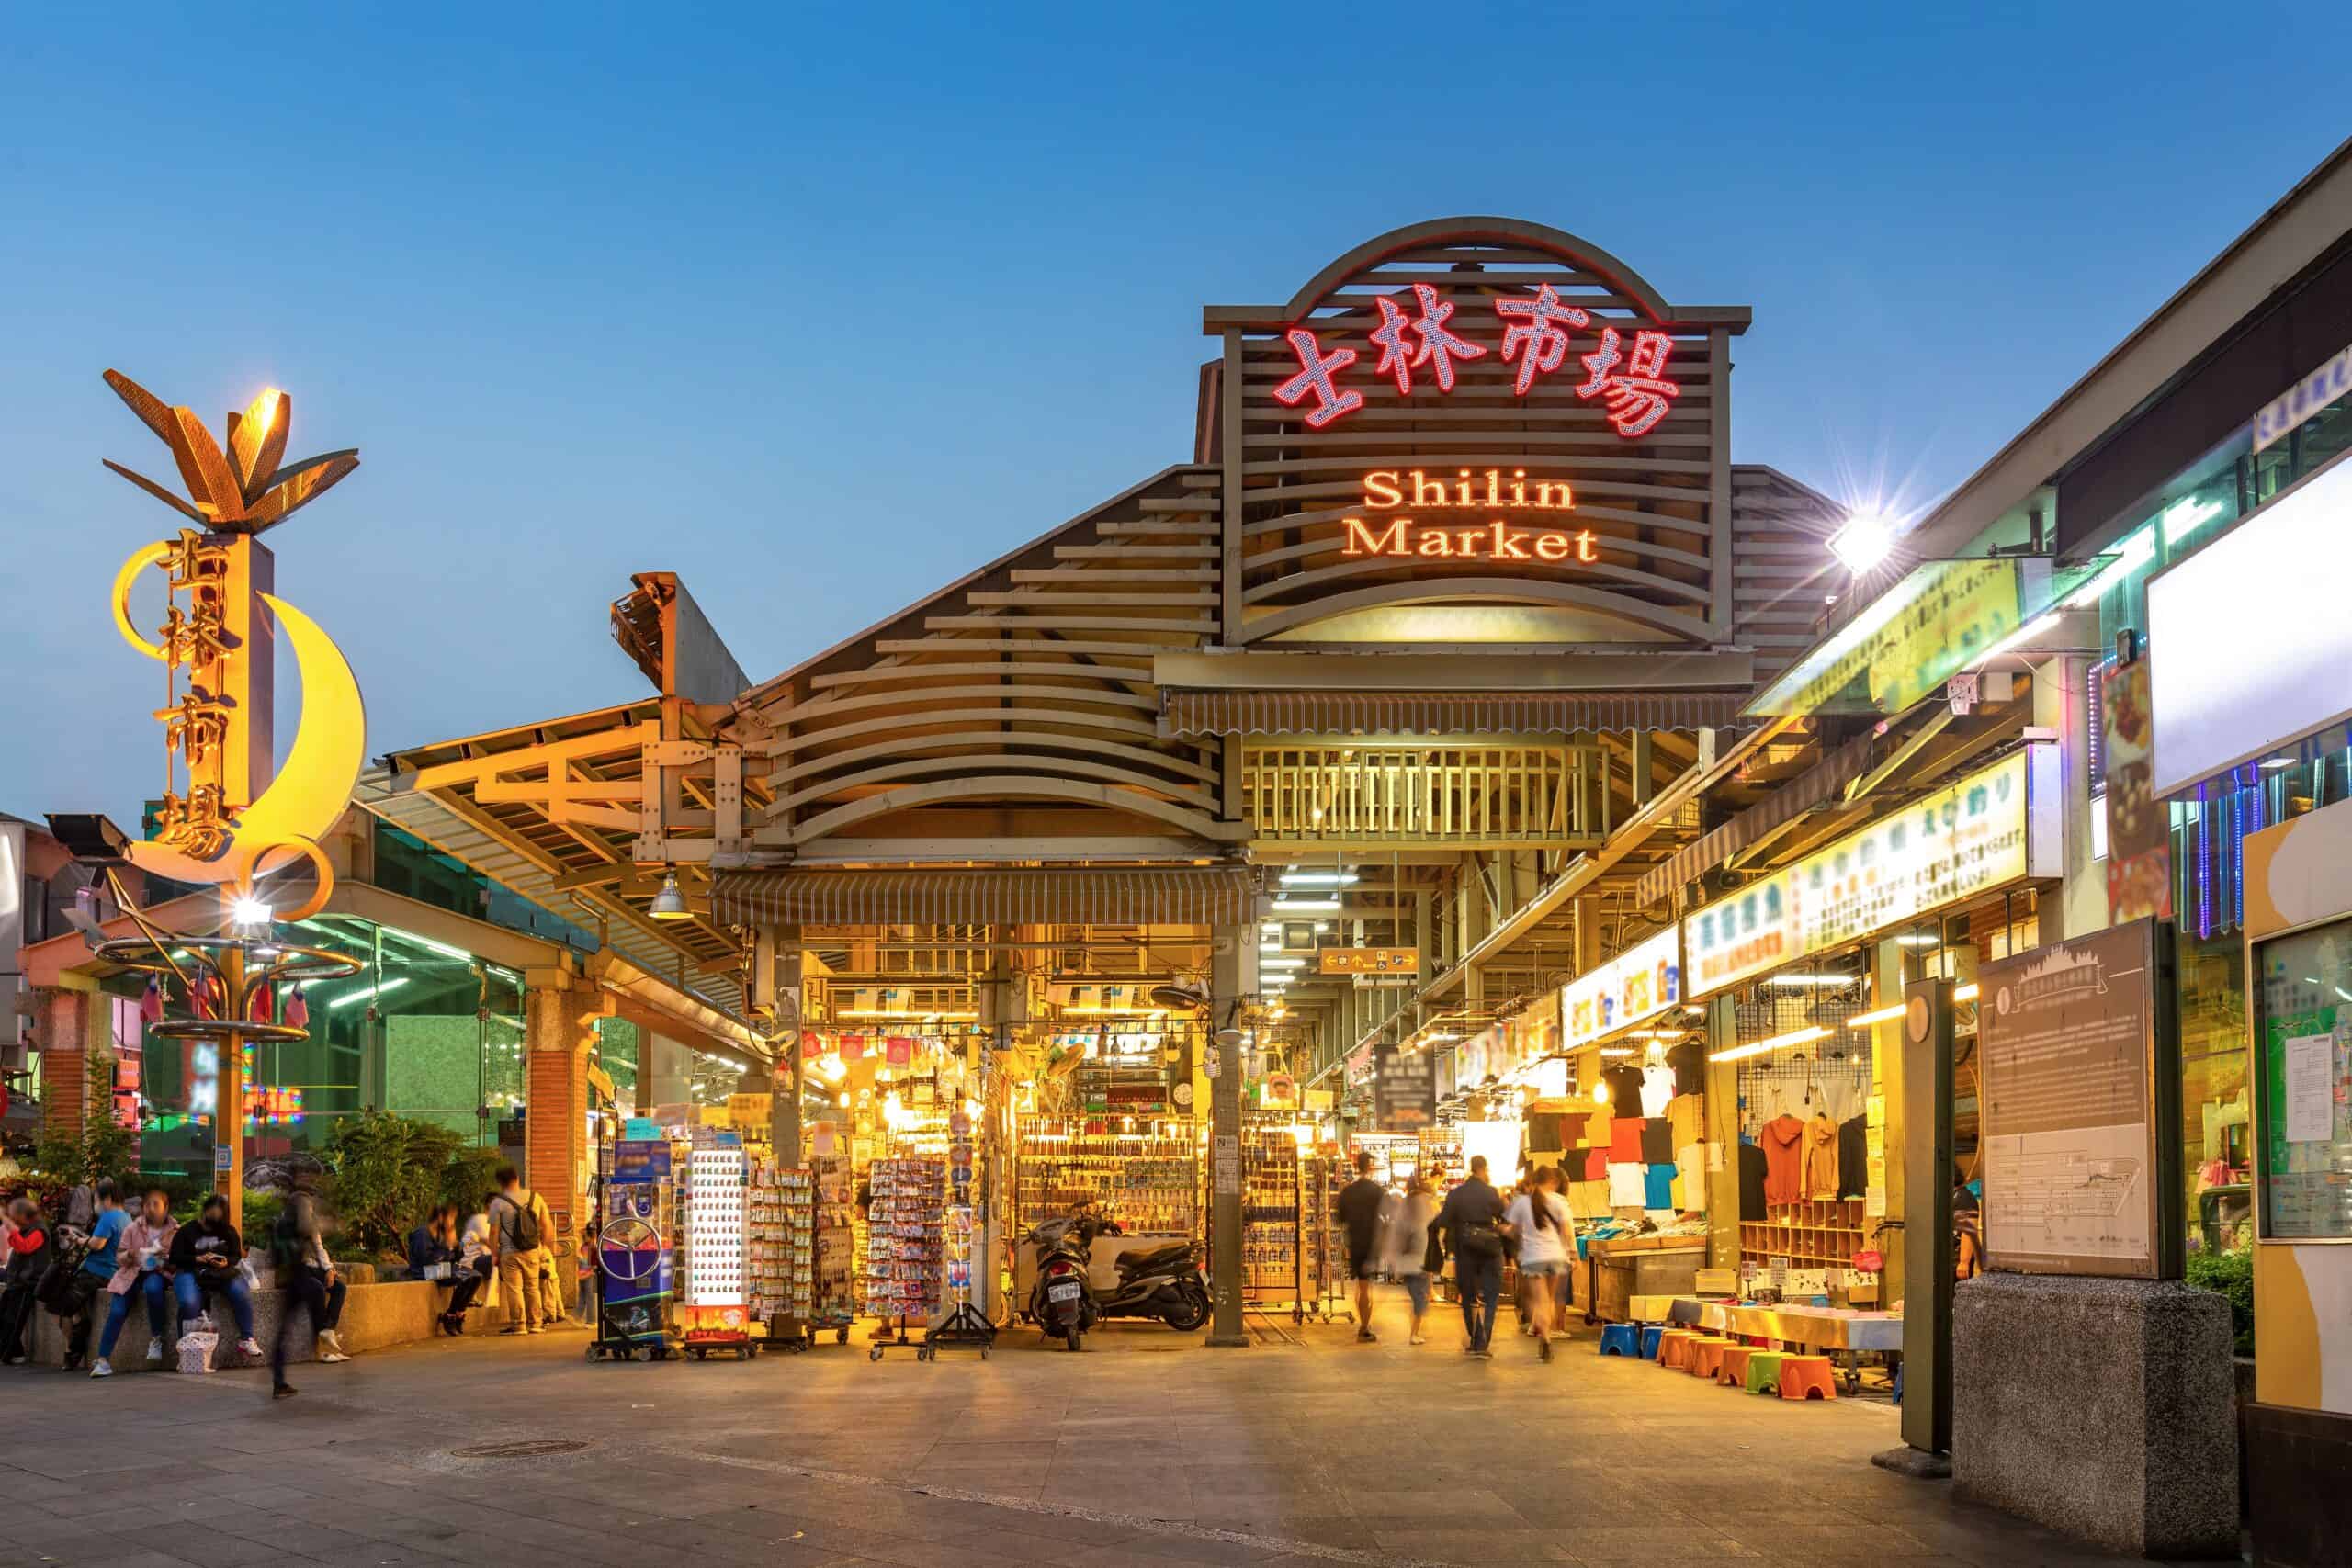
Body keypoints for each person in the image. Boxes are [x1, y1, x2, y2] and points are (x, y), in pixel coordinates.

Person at [268, 1193, 348, 1400]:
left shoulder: (283, 1225)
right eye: (307, 1208)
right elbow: (311, 1235)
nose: (309, 1212)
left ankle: (279, 1382)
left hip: (291, 1278)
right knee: (315, 1291)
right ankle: (324, 1331)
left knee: (284, 1330)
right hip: (296, 1276)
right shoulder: (295, 1227)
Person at [92, 1188, 176, 1377]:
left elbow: (178, 1260)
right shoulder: (132, 1228)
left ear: (166, 1207)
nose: (151, 1208)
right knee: (117, 1311)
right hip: (130, 1273)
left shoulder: (175, 1231)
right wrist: (128, 1255)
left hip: (157, 1272)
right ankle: (103, 1359)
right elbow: (119, 1256)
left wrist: (164, 1257)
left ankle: (156, 1338)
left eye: (156, 1204)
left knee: (154, 1289)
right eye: (147, 1204)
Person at [168, 1193, 261, 1363]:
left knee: (241, 1293)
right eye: (211, 1216)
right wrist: (198, 1259)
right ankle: (186, 1349)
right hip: (190, 1271)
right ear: (204, 1212)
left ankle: (247, 1338)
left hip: (221, 1273)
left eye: (217, 1219)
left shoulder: (228, 1231)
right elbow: (174, 1258)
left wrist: (226, 1261)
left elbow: (235, 1256)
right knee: (189, 1302)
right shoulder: (187, 1231)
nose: (212, 1223)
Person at [1435, 1154, 1508, 1358]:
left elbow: (1444, 1220)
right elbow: (1504, 1217)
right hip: (1489, 1249)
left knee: (1468, 1295)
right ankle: (1484, 1340)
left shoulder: (1457, 1194)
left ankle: (1475, 1339)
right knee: (1490, 1295)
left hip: (1465, 1248)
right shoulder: (1491, 1193)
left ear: (1470, 1168)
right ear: (1483, 1169)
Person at [1505, 1167, 1570, 1362]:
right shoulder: (1559, 1201)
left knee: (1538, 1302)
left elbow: (1513, 1230)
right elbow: (1566, 1231)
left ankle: (1546, 1339)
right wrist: (1572, 1255)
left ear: (1533, 1181)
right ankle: (1546, 1335)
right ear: (1552, 1182)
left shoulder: (1522, 1202)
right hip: (1556, 1256)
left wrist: (1501, 1230)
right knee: (1549, 1300)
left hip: (1533, 1258)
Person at [407, 1203, 485, 1335]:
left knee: (476, 1276)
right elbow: (426, 1260)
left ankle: (459, 1313)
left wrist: (454, 1245)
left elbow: (454, 1260)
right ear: (440, 1217)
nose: (452, 1222)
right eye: (451, 1218)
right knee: (464, 1276)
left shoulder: (441, 1234)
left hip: (439, 1268)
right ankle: (450, 1316)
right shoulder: (422, 1233)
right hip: (424, 1271)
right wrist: (447, 1248)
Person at [1334, 1152, 1386, 1343]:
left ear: (1357, 1166)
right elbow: (1386, 1217)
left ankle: (1364, 1323)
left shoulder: (1347, 1192)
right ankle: (1364, 1328)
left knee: (1360, 1285)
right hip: (1371, 1243)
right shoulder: (1377, 1191)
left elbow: (1340, 1218)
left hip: (1354, 1242)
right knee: (1366, 1287)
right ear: (1370, 1167)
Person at [488, 1165, 548, 1335]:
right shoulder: (536, 1198)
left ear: (500, 1183)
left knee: (514, 1289)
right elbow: (546, 1225)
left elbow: (493, 1231)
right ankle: (536, 1323)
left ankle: (519, 1325)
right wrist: (544, 1246)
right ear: (517, 1178)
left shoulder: (497, 1203)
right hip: (532, 1250)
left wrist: (494, 1253)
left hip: (509, 1252)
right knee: (532, 1287)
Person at [1382, 1175, 1440, 1347]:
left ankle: (1415, 1330)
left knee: (1417, 1296)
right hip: (1421, 1257)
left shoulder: (1405, 1205)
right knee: (1420, 1298)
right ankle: (1414, 1333)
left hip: (1408, 1260)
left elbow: (1397, 1233)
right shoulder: (1427, 1203)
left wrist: (1393, 1258)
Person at [0, 1198, 51, 1365]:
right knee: (4, 1317)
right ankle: (15, 1353)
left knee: (12, 1321)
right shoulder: (26, 1229)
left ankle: (8, 1354)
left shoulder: (39, 1231)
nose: (13, 1220)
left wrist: (9, 1226)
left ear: (24, 1215)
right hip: (16, 1282)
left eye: (15, 1216)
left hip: (27, 1284)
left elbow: (25, 1247)